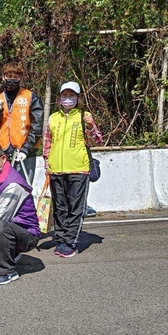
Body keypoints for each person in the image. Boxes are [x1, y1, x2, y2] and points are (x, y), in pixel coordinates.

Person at [43, 81, 103, 258]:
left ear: (78, 98)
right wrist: (47, 163)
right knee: (60, 207)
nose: (67, 99)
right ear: (59, 98)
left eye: (71, 96)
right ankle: (60, 239)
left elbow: (97, 141)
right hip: (56, 170)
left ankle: (70, 242)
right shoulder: (53, 118)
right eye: (64, 95)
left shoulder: (85, 117)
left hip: (79, 169)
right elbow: (47, 143)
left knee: (75, 207)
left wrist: (90, 126)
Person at [0, 142, 41, 285]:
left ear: (3, 159)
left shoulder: (13, 184)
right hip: (8, 229)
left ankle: (7, 271)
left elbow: (2, 216)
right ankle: (9, 254)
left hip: (27, 234)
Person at [0, 61, 44, 186]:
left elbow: (37, 126)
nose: (12, 80)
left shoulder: (31, 97)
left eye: (15, 77)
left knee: (24, 188)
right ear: (3, 77)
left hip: (25, 152)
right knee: (4, 189)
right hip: (3, 152)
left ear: (21, 78)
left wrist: (26, 149)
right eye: (9, 76)